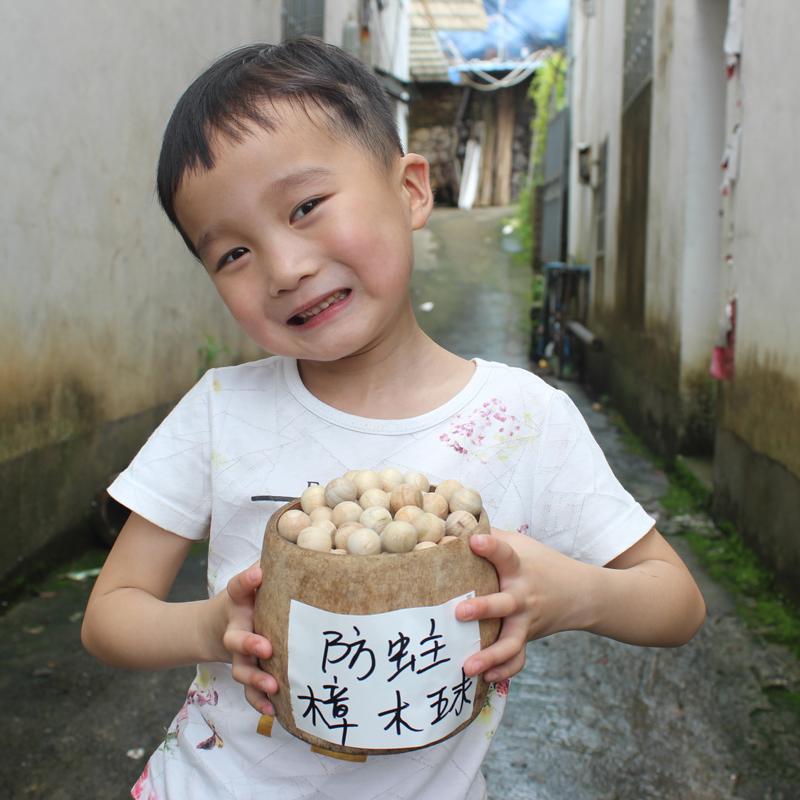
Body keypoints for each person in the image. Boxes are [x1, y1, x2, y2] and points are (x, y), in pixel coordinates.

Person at [81, 37, 706, 800]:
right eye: (233, 254)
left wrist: (573, 595)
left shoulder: (522, 420)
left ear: (412, 189)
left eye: (306, 207)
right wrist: (207, 629)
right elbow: (109, 616)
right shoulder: (220, 411)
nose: (285, 268)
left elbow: (676, 602)